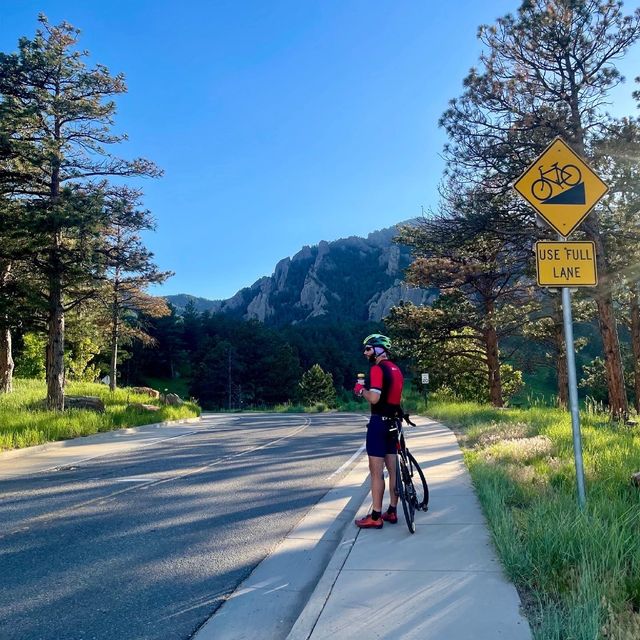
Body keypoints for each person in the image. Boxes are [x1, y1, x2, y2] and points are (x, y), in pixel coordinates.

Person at [353, 333, 404, 528]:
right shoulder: (396, 369)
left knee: (376, 472)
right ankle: (392, 510)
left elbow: (374, 398)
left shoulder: (377, 369)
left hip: (378, 424)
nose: (365, 353)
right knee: (393, 471)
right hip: (394, 423)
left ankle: (375, 517)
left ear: (379, 349)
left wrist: (360, 390)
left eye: (368, 348)